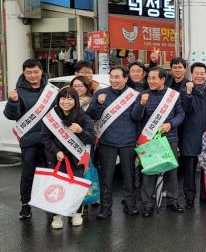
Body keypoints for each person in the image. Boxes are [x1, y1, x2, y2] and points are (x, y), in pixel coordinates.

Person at [87, 66, 140, 219]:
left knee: (129, 176)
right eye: (112, 76)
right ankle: (105, 208)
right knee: (106, 177)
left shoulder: (134, 95)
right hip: (107, 141)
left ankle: (130, 205)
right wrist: (97, 103)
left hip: (128, 141)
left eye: (118, 77)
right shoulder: (100, 93)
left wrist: (141, 104)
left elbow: (137, 118)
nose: (114, 80)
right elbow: (92, 115)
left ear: (125, 78)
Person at [131, 67, 185, 217]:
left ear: (162, 79)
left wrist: (171, 124)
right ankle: (147, 204)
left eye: (154, 78)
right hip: (149, 139)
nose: (150, 81)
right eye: (149, 78)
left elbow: (181, 113)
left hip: (170, 138)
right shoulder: (143, 95)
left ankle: (173, 201)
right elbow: (135, 117)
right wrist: (141, 103)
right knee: (149, 171)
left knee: (171, 171)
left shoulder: (173, 95)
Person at [4, 59, 52, 220]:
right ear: (24, 73)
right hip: (30, 141)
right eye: (29, 72)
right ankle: (25, 205)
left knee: (50, 173)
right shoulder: (18, 91)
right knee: (28, 174)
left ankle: (50, 203)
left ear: (41, 71)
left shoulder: (50, 90)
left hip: (49, 140)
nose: (33, 75)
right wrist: (13, 101)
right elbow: (12, 115)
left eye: (36, 72)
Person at [41, 87, 95, 229]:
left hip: (76, 158)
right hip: (57, 158)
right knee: (56, 187)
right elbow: (45, 138)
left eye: (70, 98)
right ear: (58, 100)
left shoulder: (83, 117)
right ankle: (57, 216)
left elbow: (92, 139)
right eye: (63, 98)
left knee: (75, 187)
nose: (66, 101)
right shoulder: (51, 116)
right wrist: (56, 151)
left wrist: (80, 131)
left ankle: (76, 213)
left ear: (76, 101)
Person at [180, 62, 206, 209]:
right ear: (191, 75)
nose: (199, 76)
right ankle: (189, 198)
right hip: (190, 135)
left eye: (202, 73)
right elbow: (184, 109)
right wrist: (189, 93)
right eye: (196, 73)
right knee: (190, 169)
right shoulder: (184, 90)